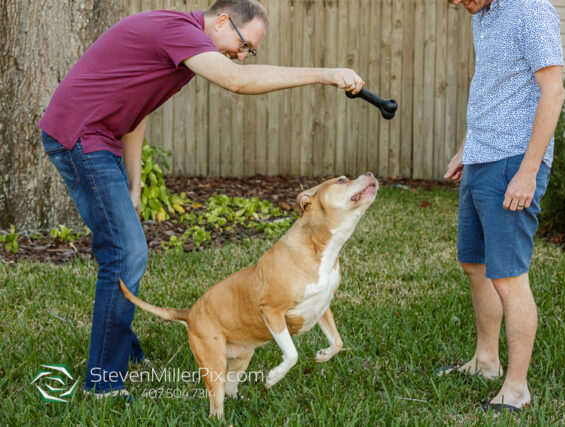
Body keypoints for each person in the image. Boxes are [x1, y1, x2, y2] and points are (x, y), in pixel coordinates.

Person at [39, 0, 365, 398]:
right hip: (80, 134)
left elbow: (139, 111)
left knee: (121, 250)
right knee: (126, 252)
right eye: (243, 45)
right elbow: (237, 81)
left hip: (100, 140)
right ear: (224, 20)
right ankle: (103, 382)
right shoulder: (179, 32)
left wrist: (135, 182)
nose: (241, 56)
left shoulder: (180, 47)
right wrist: (324, 74)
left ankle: (119, 350)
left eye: (249, 53)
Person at [442, 0, 565, 412]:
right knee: (475, 265)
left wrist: (529, 171)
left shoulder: (531, 10)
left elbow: (553, 91)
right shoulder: (486, 14)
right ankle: (486, 362)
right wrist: (466, 149)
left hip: (513, 161)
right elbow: (493, 86)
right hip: (482, 156)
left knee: (509, 278)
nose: (459, 3)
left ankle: (516, 389)